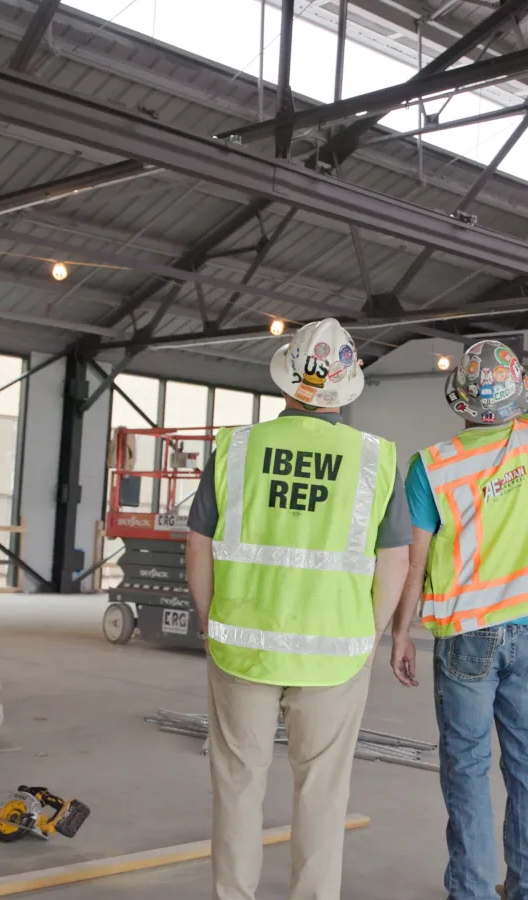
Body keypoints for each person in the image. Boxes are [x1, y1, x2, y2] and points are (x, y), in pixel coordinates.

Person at [389, 297, 528, 900]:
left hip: (464, 639)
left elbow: (415, 562)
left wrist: (401, 632)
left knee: (465, 770)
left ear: (459, 399)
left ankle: (473, 893)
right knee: (527, 766)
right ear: (518, 394)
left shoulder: (430, 467)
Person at [186, 318, 411, 900]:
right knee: (322, 794)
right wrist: (368, 634)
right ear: (349, 386)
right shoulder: (375, 459)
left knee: (238, 786)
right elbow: (395, 562)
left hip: (242, 648)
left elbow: (199, 544)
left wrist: (213, 621)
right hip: (334, 654)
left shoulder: (237, 448)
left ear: (288, 379)